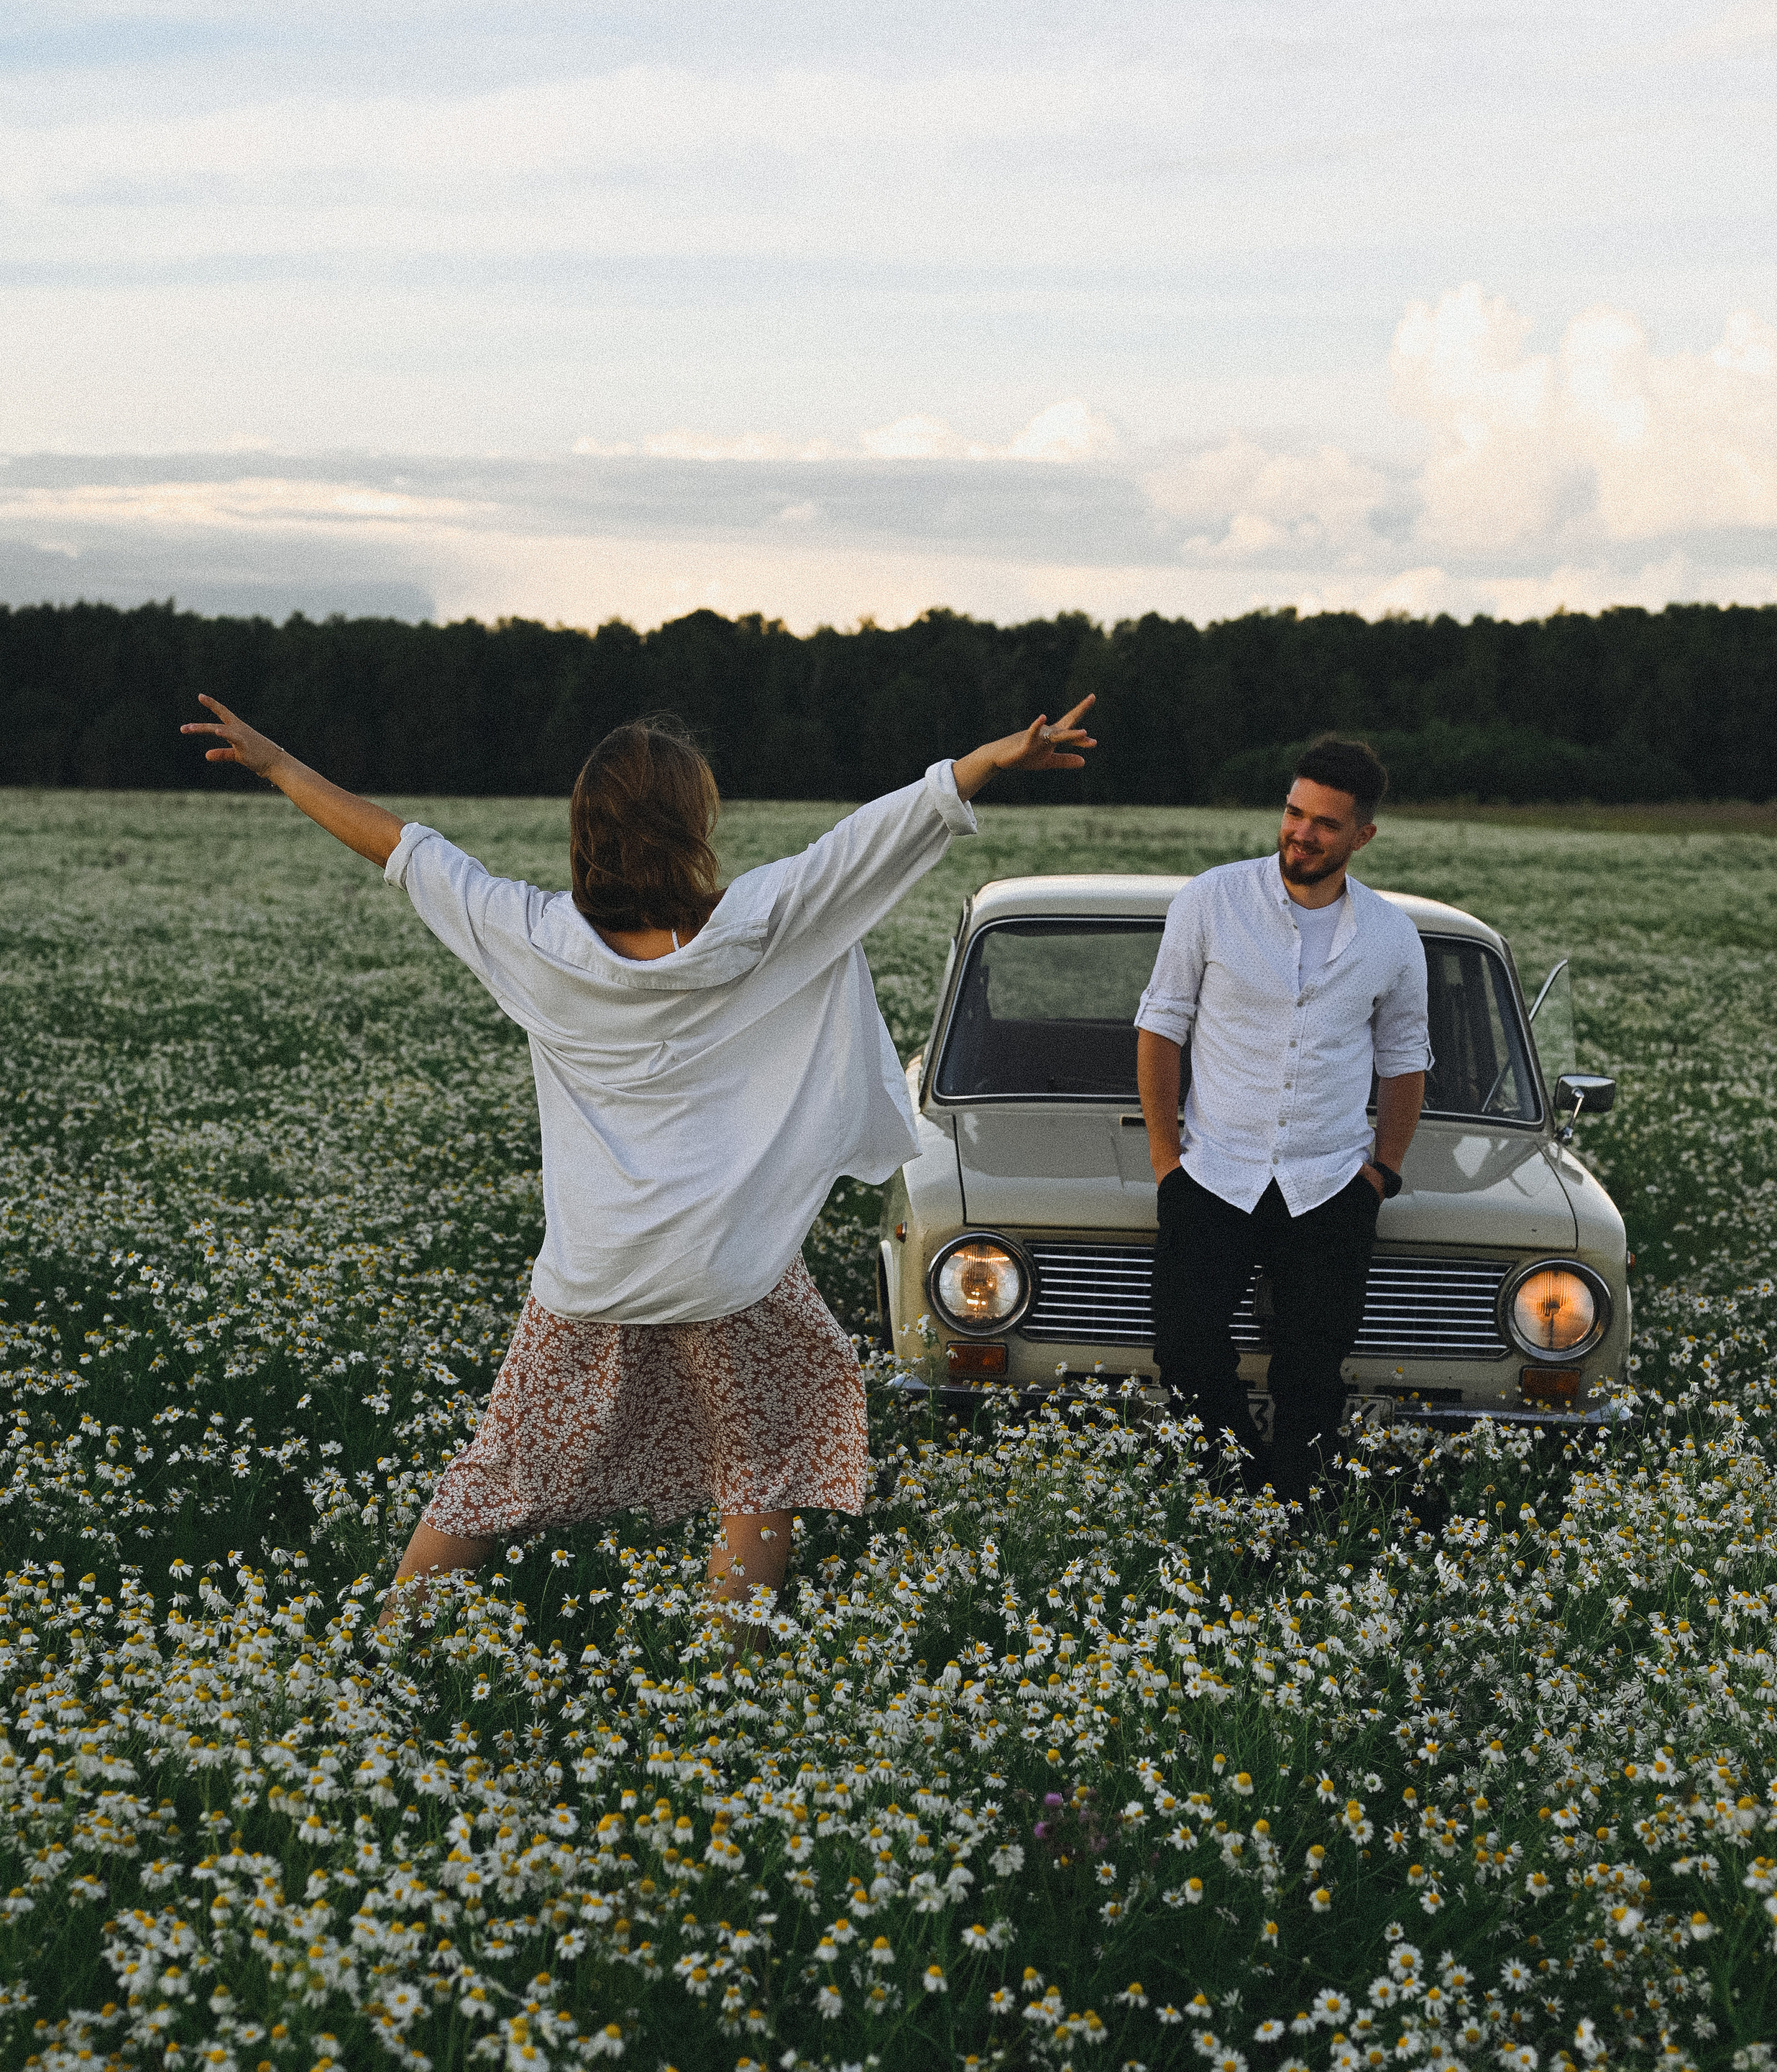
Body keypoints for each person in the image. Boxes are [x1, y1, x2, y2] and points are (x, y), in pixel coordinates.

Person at [183, 690, 1096, 1623]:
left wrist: (279, 765)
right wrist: (989, 758)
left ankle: (390, 1639)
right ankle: (728, 1666)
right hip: (729, 1267)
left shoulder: (536, 939)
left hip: (592, 1272)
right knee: (765, 1456)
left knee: (496, 1477)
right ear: (695, 828)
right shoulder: (758, 924)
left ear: (586, 833)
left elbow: (404, 847)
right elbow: (878, 838)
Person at [1134, 735, 1428, 1506]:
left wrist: (1381, 1172)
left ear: (1362, 836)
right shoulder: (1211, 900)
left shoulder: (1392, 936)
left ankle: (1294, 1515)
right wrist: (1168, 1160)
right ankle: (1241, 1498)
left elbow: (1405, 1059)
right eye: (1294, 813)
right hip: (1211, 1171)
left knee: (1311, 1370)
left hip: (1331, 1182)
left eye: (1325, 824)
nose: (1302, 833)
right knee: (1188, 1351)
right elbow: (1160, 1027)